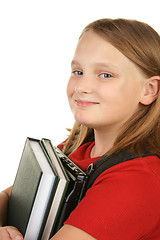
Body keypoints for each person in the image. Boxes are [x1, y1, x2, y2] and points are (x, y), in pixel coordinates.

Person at [0, 18, 160, 240]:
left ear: (149, 90)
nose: (82, 87)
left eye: (105, 75)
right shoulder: (75, 147)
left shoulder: (137, 180)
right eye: (78, 71)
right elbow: (10, 198)